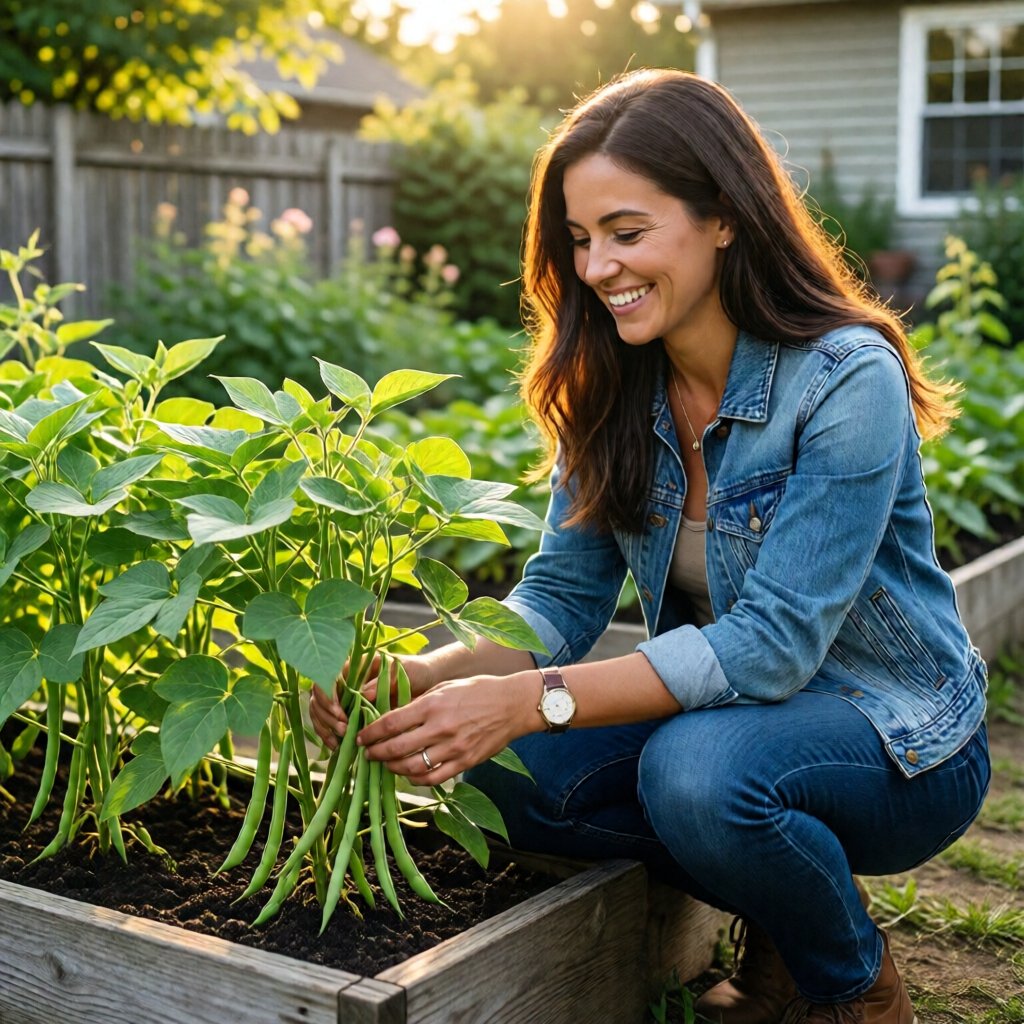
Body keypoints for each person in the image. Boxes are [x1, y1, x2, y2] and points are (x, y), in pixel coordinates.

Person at [311, 69, 991, 1024]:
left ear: (723, 217)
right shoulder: (614, 381)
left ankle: (852, 989)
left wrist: (528, 699)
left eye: (628, 234)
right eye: (580, 241)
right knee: (509, 780)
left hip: (899, 739)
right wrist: (423, 678)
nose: (596, 269)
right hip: (735, 723)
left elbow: (772, 645)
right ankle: (788, 898)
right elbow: (558, 597)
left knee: (697, 776)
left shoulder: (844, 379)